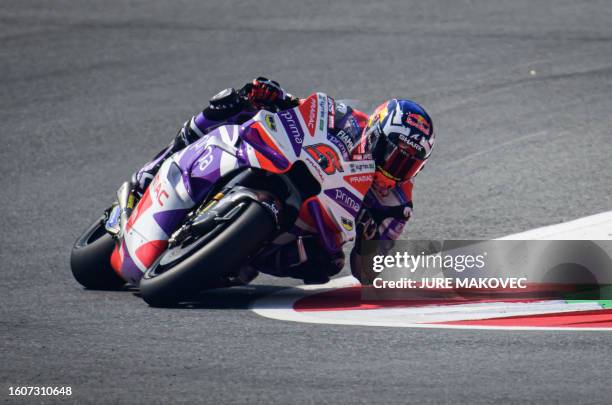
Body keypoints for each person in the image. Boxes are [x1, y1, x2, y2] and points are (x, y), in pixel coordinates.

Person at [131, 77, 435, 285]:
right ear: (375, 134)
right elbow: (304, 110)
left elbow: (368, 271)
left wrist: (371, 240)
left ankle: (234, 261)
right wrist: (275, 98)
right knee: (233, 106)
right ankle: (156, 167)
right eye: (394, 155)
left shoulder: (396, 202)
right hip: (288, 165)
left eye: (408, 164)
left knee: (326, 265)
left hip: (312, 220)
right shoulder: (348, 119)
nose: (396, 170)